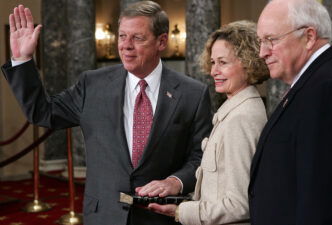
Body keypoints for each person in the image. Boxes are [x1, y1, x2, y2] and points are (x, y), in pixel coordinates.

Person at [2, 2, 212, 225]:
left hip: (161, 217)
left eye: (137, 38)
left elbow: (201, 157)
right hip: (104, 215)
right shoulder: (92, 84)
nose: (126, 46)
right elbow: (41, 112)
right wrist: (23, 60)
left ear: (162, 41)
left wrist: (176, 181)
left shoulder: (193, 94)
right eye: (122, 36)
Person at [249, 0, 332, 225]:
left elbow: (323, 201)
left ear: (308, 37)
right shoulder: (313, 83)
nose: (262, 52)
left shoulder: (329, 89)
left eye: (271, 40)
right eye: (261, 41)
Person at [147, 20, 269, 225]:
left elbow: (239, 205)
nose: (213, 71)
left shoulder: (241, 119)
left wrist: (180, 211)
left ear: (249, 62)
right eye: (213, 62)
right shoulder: (235, 111)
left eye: (223, 62)